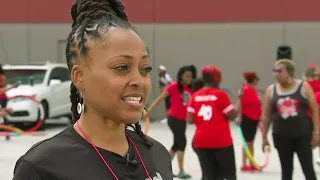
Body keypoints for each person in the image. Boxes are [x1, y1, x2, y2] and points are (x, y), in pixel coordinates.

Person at [12, 0, 173, 179]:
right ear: (79, 77)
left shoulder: (157, 155)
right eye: (122, 67)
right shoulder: (42, 167)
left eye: (145, 69)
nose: (138, 81)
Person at [262, 59, 319, 180]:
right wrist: (264, 137)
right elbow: (266, 115)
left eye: (280, 71)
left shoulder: (304, 87)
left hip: (303, 135)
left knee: (308, 168)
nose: (276, 74)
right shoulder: (271, 90)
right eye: (275, 71)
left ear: (290, 73)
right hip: (281, 136)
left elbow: (315, 110)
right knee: (286, 171)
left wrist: (317, 132)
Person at [186, 65, 237, 180]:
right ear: (216, 78)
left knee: (208, 175)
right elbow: (232, 115)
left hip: (201, 141)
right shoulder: (221, 94)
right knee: (229, 174)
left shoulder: (195, 96)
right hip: (221, 141)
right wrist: (240, 102)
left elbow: (189, 120)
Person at [147, 65, 197, 179]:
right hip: (174, 118)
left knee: (176, 144)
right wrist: (148, 111)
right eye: (187, 76)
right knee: (182, 142)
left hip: (183, 120)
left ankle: (161, 168)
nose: (189, 78)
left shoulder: (190, 89)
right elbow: (160, 98)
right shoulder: (173, 87)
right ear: (181, 76)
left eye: (191, 76)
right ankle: (181, 171)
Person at [237, 71, 262, 172]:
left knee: (251, 142)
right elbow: (240, 104)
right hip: (247, 118)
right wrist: (239, 117)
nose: (257, 81)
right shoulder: (246, 90)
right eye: (257, 79)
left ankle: (251, 163)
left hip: (254, 119)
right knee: (247, 143)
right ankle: (244, 164)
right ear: (254, 80)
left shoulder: (252, 90)